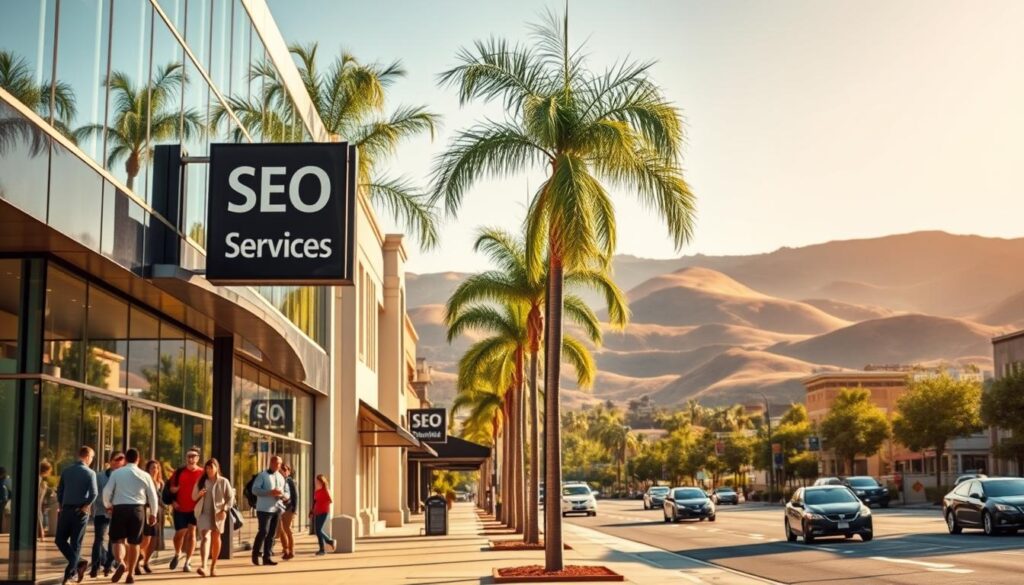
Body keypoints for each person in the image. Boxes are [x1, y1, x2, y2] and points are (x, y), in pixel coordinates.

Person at [103, 448, 158, 585]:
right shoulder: (145, 475)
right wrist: (153, 513)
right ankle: (131, 573)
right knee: (135, 542)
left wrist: (108, 505)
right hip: (137, 510)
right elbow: (152, 496)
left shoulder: (117, 473)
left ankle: (121, 562)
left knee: (118, 540)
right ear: (138, 459)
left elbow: (106, 491)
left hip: (120, 508)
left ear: (126, 459)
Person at [54, 446, 97, 585]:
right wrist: (86, 505)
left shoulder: (67, 471)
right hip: (80, 512)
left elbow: (60, 490)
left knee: (59, 540)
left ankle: (70, 573)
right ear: (87, 456)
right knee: (75, 544)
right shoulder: (90, 473)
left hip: (66, 510)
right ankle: (78, 564)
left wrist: (61, 504)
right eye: (91, 458)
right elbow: (94, 493)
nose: (91, 460)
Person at [192, 458, 233, 577]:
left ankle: (214, 565)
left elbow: (230, 498)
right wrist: (200, 494)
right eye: (207, 468)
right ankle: (204, 565)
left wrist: (224, 509)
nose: (209, 470)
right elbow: (193, 497)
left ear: (216, 468)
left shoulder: (223, 482)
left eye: (211, 467)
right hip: (204, 513)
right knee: (205, 536)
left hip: (218, 514)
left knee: (216, 538)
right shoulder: (201, 481)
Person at [168, 449, 203, 573]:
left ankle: (188, 561)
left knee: (192, 533)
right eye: (189, 456)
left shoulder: (202, 472)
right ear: (186, 458)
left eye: (194, 456)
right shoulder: (179, 472)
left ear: (198, 458)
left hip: (195, 509)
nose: (191, 458)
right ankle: (177, 554)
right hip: (180, 508)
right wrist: (173, 500)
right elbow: (170, 488)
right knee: (179, 534)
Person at [90, 451, 124, 579]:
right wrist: (107, 506)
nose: (119, 462)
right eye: (116, 459)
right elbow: (96, 494)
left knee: (113, 540)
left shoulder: (124, 477)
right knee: (99, 539)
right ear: (110, 461)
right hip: (101, 512)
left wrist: (115, 507)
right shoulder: (99, 476)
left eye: (121, 459)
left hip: (117, 513)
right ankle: (94, 567)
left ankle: (109, 566)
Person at [251, 455, 289, 566]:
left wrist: (283, 496)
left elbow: (286, 492)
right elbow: (255, 490)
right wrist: (269, 492)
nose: (279, 466)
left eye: (280, 464)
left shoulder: (281, 477)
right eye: (277, 463)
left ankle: (267, 557)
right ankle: (255, 554)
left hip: (276, 508)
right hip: (264, 509)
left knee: (271, 534)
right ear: (271, 463)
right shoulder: (262, 475)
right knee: (263, 531)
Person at [137, 460, 164, 575]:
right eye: (152, 467)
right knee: (146, 538)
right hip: (147, 510)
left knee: (154, 540)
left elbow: (163, 498)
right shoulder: (145, 480)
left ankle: (146, 562)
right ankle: (138, 560)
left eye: (157, 468)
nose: (155, 470)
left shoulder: (161, 483)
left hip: (159, 512)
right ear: (148, 469)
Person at [275, 463, 298, 560]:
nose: (283, 471)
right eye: (281, 469)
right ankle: (285, 550)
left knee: (287, 529)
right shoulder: (278, 480)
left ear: (288, 471)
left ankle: (291, 550)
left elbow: (295, 496)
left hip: (289, 508)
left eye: (285, 469)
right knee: (280, 529)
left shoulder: (290, 481)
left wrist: (294, 509)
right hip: (279, 508)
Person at [309, 474, 335, 556]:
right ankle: (325, 545)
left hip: (324, 512)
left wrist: (323, 504)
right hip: (317, 512)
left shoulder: (326, 490)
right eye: (315, 482)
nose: (316, 483)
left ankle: (325, 546)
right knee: (318, 531)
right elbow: (314, 502)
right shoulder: (316, 491)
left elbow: (330, 500)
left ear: (321, 482)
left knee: (319, 530)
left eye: (317, 481)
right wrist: (311, 512)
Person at [38, 460, 53, 539]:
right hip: (38, 504)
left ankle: (41, 533)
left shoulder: (41, 479)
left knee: (40, 514)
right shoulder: (39, 479)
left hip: (39, 504)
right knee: (39, 515)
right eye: (49, 471)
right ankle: (41, 533)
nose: (49, 473)